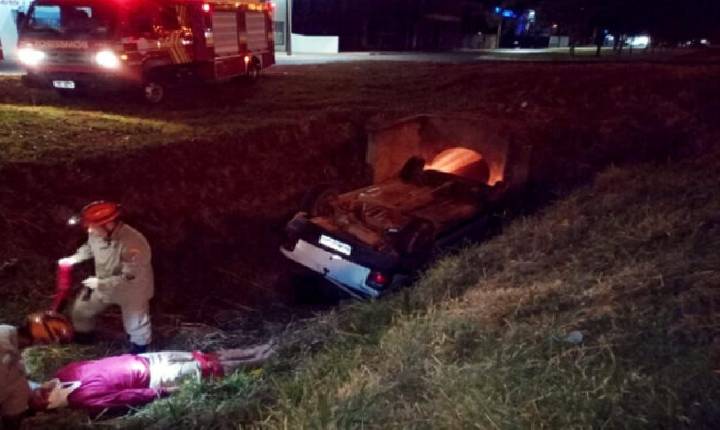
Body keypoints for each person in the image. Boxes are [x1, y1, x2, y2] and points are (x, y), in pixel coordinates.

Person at [29, 343, 274, 416]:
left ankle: (256, 350)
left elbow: (91, 363)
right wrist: (166, 392)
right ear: (51, 404)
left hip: (145, 359)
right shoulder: (85, 400)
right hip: (155, 377)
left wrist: (55, 381)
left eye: (39, 389)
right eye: (43, 396)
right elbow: (127, 396)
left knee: (201, 356)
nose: (43, 389)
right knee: (209, 368)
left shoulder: (64, 374)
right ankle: (260, 359)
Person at [59, 201, 154, 354]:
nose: (89, 230)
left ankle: (139, 355)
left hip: (132, 290)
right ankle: (84, 343)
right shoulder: (97, 233)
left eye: (92, 226)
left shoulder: (134, 244)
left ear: (108, 224)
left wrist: (99, 283)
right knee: (81, 311)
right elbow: (89, 248)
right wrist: (74, 259)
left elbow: (130, 278)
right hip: (104, 284)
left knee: (136, 325)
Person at [0, 312, 73, 429]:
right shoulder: (4, 353)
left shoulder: (10, 338)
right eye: (50, 339)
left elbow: (15, 380)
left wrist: (34, 389)